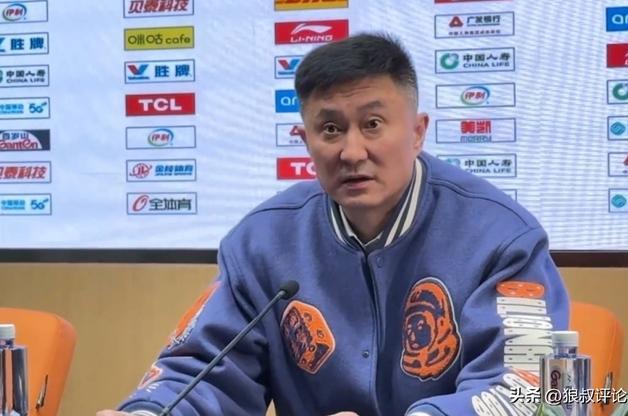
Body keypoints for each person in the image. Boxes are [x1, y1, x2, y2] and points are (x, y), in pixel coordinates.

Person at [97, 33, 569, 416]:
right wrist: (150, 413)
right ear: (305, 140)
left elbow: (530, 389)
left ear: (418, 131)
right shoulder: (262, 243)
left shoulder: (500, 237)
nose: (352, 152)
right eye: (330, 129)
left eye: (373, 124)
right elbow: (203, 372)